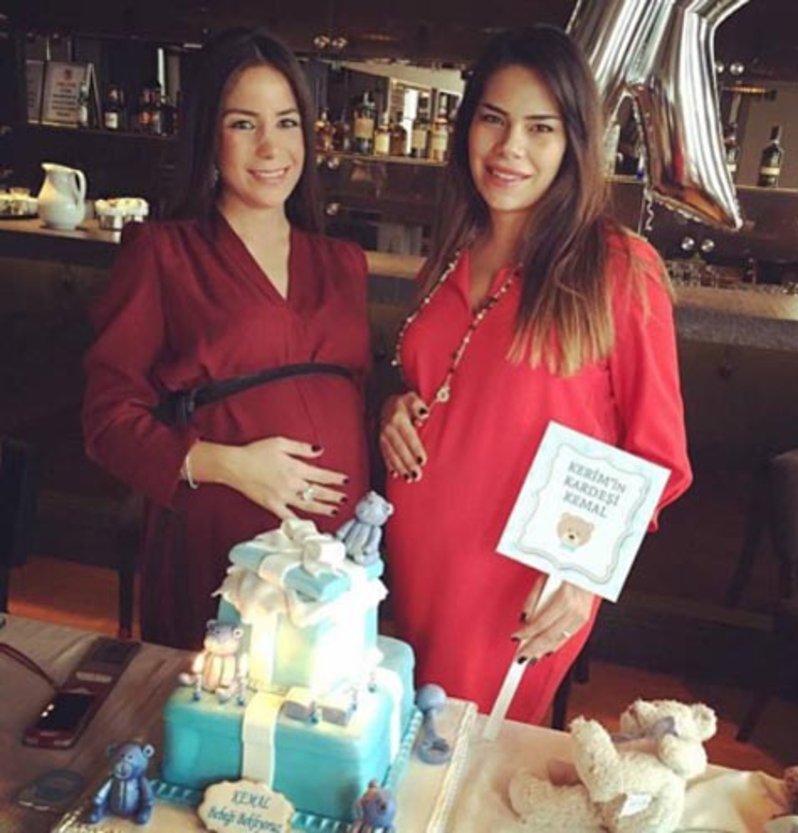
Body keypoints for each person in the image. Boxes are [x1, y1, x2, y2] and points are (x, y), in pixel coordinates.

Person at [379, 26, 692, 724]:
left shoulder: (618, 267)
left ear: (574, 142)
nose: (509, 147)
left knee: (470, 751)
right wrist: (394, 408)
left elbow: (659, 454)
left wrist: (584, 576)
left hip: (522, 578)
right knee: (413, 744)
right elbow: (442, 380)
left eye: (540, 128)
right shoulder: (452, 252)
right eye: (493, 119)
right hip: (418, 556)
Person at [83, 28, 370, 649]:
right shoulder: (163, 253)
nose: (271, 147)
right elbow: (107, 422)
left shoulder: (342, 262)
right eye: (244, 124)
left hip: (334, 555)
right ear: (208, 136)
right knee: (211, 700)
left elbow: (358, 400)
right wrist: (230, 465)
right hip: (218, 546)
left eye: (287, 122)